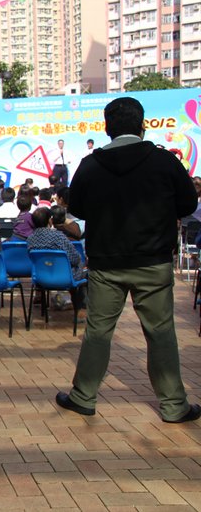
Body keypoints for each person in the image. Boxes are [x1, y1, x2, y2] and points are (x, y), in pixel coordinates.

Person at [58, 96, 200, 423]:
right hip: (153, 262)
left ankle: (83, 397)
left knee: (98, 331)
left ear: (107, 128)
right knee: (160, 333)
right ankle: (173, 406)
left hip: (106, 264)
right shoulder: (164, 161)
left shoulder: (90, 165)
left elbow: (77, 208)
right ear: (142, 126)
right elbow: (188, 204)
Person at [26, 207, 86, 314]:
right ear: (50, 220)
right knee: (83, 271)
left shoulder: (30, 239)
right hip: (65, 277)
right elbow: (75, 259)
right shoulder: (57, 236)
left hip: (41, 278)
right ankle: (79, 309)